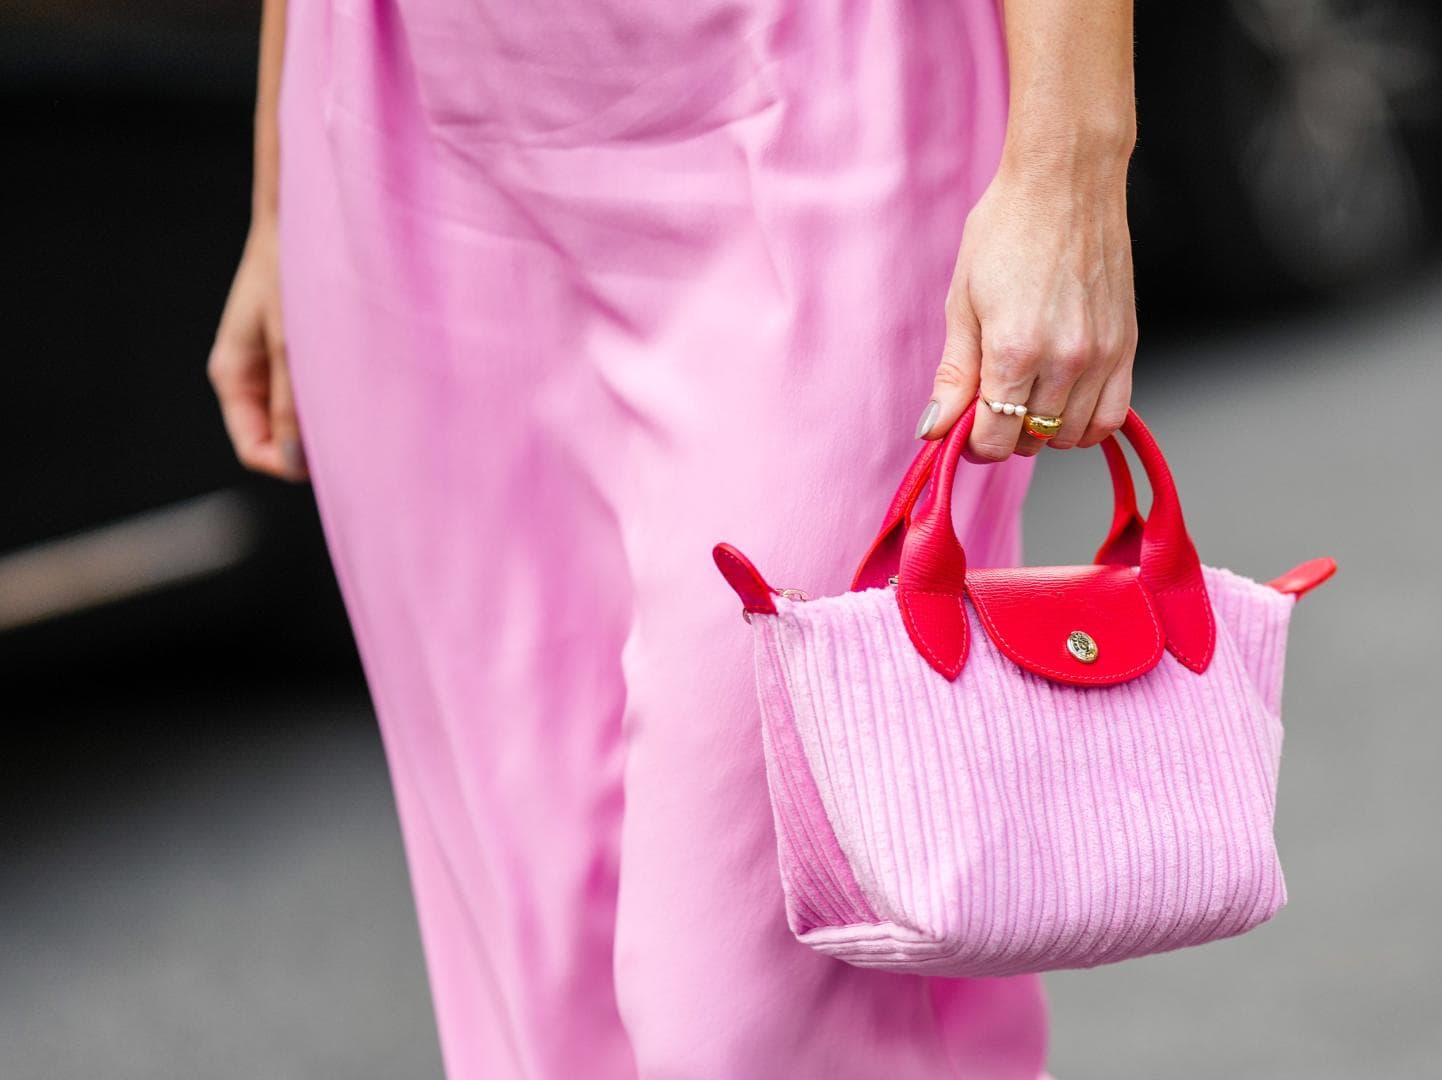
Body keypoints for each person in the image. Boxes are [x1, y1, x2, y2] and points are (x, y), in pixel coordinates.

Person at [207, 0, 1138, 1075]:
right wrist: (279, 199)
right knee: (537, 975)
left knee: (773, 973)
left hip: (818, 77)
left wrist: (1072, 160)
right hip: (397, 110)